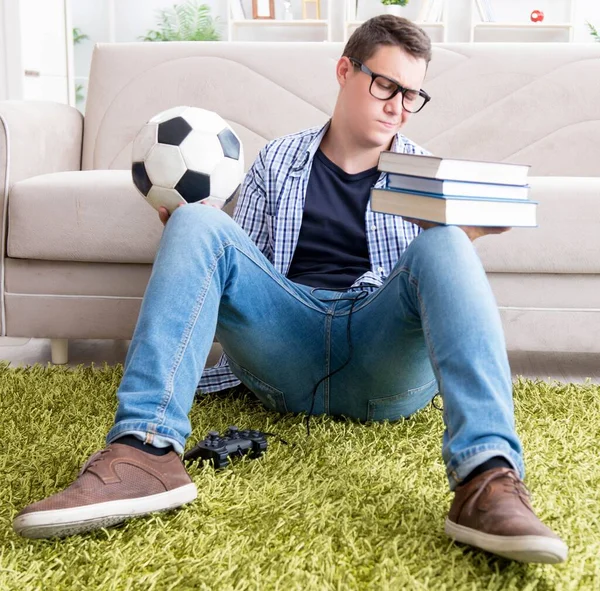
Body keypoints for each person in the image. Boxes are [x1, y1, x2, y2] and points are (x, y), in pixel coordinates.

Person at [13, 15, 567, 564]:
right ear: (345, 71)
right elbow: (240, 275)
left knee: (446, 245)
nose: (398, 106)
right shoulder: (276, 161)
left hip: (379, 359)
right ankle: (143, 453)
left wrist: (457, 238)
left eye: (412, 95)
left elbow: (417, 298)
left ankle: (486, 477)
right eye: (386, 86)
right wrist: (196, 241)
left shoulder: (424, 173)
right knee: (198, 223)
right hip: (286, 347)